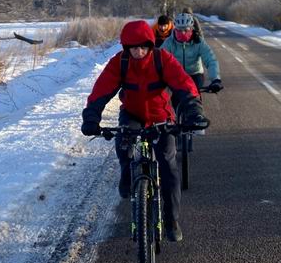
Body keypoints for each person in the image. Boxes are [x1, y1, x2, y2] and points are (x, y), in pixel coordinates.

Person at [81, 20, 208, 242]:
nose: (138, 52)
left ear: (150, 45)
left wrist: (194, 111)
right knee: (123, 143)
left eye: (143, 47)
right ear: (126, 47)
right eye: (133, 47)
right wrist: (91, 117)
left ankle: (171, 220)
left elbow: (183, 84)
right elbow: (101, 90)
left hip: (161, 118)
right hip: (132, 115)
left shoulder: (162, 59)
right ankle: (126, 174)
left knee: (168, 165)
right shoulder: (119, 63)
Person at [160, 12, 222, 111]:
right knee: (176, 99)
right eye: (179, 30)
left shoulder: (199, 42)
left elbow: (210, 59)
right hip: (177, 75)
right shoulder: (169, 42)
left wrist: (216, 79)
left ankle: (197, 115)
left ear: (191, 29)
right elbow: (158, 59)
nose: (183, 33)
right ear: (175, 29)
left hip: (195, 74)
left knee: (194, 98)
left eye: (186, 29)